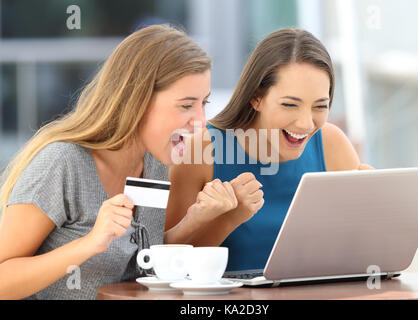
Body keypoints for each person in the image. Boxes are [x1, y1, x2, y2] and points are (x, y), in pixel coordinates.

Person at [0, 24, 239, 300]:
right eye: (186, 105)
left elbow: (140, 259)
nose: (200, 122)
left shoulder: (155, 164)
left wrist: (197, 219)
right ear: (137, 100)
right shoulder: (62, 163)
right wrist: (89, 243)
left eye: (204, 103)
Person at [166, 28, 373, 272]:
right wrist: (222, 218)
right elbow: (166, 264)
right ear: (256, 97)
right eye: (289, 104)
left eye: (320, 106)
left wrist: (374, 209)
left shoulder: (331, 144)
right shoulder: (201, 150)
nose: (306, 124)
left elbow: (358, 252)